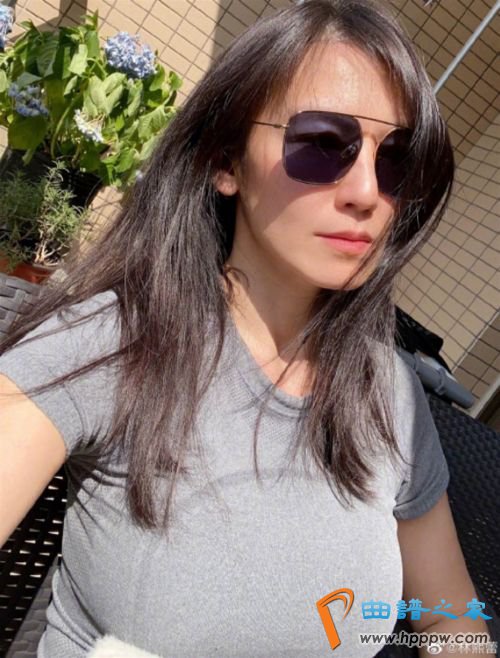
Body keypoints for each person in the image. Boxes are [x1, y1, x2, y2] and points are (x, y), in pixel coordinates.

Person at [0, 1, 494, 656]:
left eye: (397, 159)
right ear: (226, 161)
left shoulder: (389, 396)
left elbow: (448, 618)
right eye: (323, 144)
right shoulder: (117, 344)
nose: (367, 192)